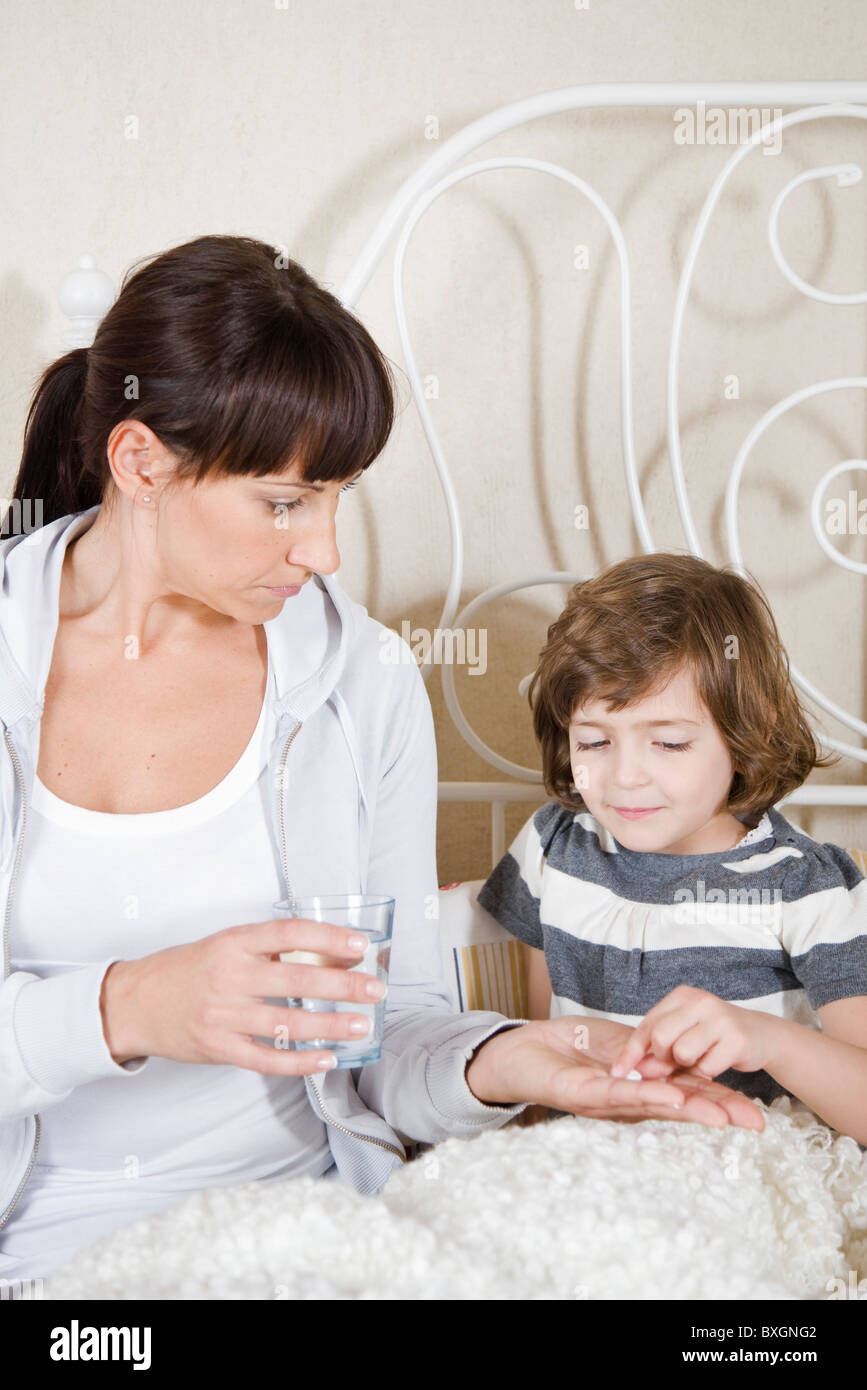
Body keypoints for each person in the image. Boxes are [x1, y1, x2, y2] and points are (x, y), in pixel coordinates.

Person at [0, 237, 760, 1286]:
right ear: (140, 464)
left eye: (338, 495)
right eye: (284, 502)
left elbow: (385, 1035)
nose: (326, 552)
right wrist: (129, 1005)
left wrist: (505, 1061)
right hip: (43, 1255)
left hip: (312, 1233)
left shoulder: (362, 681)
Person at [477, 553, 867, 1143]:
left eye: (669, 742)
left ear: (746, 736)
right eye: (593, 741)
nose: (626, 776)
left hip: (740, 1175)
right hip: (582, 1175)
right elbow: (541, 1048)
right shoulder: (553, 846)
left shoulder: (805, 887)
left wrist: (768, 1039)